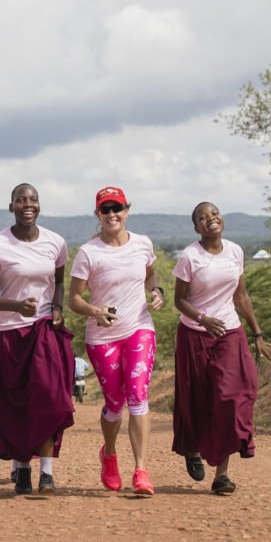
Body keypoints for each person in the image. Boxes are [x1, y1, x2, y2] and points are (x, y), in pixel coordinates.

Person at [172, 202, 271, 494]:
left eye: (214, 214)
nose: (210, 219)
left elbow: (241, 295)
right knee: (197, 400)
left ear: (222, 218)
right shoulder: (190, 257)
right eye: (202, 218)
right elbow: (179, 301)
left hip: (230, 333)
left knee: (232, 396)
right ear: (197, 228)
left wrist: (257, 333)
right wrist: (203, 319)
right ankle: (192, 450)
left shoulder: (235, 251)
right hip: (195, 334)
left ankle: (222, 474)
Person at [0, 183, 75, 495]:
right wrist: (16, 306)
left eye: (33, 199)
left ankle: (46, 470)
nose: (27, 204)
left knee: (49, 396)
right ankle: (21, 466)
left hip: (43, 328)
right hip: (7, 333)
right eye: (21, 200)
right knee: (13, 404)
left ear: (39, 206)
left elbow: (59, 282)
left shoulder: (55, 242)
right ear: (12, 207)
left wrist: (57, 308)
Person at [68, 186, 163, 496]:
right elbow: (74, 299)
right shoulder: (88, 252)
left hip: (139, 327)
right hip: (103, 337)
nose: (112, 215)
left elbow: (151, 275)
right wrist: (95, 310)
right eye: (105, 210)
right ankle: (109, 454)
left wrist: (157, 292)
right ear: (98, 214)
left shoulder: (143, 244)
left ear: (127, 211)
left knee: (137, 394)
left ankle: (141, 471)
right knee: (114, 404)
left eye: (117, 208)